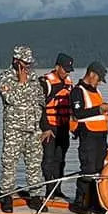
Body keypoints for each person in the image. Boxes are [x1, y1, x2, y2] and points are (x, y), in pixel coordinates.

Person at [0, 45, 46, 213]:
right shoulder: (4, 79)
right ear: (17, 62)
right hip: (14, 130)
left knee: (34, 164)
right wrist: (22, 83)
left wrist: (39, 119)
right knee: (9, 164)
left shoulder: (34, 78)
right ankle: (7, 196)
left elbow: (40, 98)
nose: (29, 67)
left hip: (33, 128)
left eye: (30, 63)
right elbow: (11, 99)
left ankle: (36, 196)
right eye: (25, 63)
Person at [68, 62, 108, 214]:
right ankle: (80, 203)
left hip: (101, 137)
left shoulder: (96, 92)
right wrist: (99, 109)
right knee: (88, 170)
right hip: (88, 136)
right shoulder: (78, 91)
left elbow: (97, 115)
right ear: (91, 74)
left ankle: (96, 204)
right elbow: (79, 114)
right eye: (99, 79)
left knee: (99, 171)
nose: (99, 83)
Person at [39, 52, 75, 199]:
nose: (66, 72)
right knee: (48, 159)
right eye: (65, 69)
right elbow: (39, 107)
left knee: (60, 160)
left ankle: (57, 189)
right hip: (50, 128)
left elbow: (72, 107)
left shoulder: (69, 83)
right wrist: (45, 128)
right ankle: (49, 190)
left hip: (63, 128)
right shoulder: (45, 82)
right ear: (57, 67)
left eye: (69, 70)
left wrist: (74, 127)